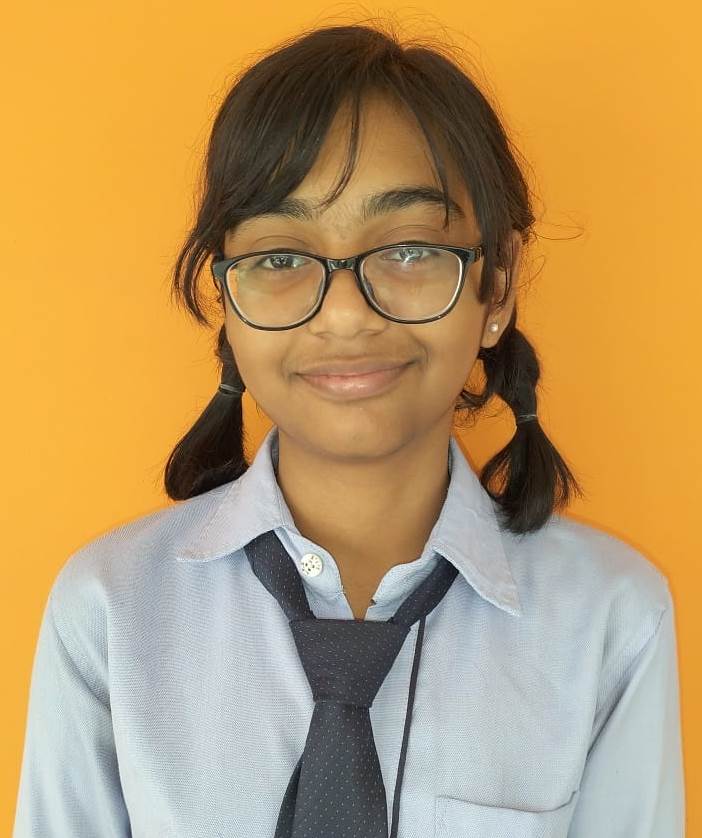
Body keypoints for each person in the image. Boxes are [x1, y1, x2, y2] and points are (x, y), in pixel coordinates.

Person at [13, 20, 684, 838]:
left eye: (409, 249)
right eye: (280, 257)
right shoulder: (110, 611)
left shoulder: (611, 620)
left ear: (498, 285)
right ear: (225, 296)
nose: (344, 316)